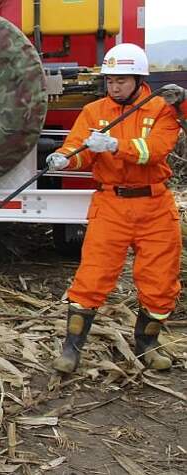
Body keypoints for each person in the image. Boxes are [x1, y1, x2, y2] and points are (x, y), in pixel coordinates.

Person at [46, 43, 182, 373]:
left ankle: (147, 346)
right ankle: (71, 351)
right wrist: (65, 160)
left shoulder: (161, 109)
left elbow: (156, 151)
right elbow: (80, 150)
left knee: (160, 282)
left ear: (138, 79)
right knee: (91, 277)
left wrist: (115, 145)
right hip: (111, 204)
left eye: (121, 80)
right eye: (110, 81)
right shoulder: (94, 112)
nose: (114, 86)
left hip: (154, 205)